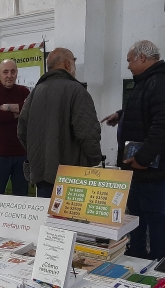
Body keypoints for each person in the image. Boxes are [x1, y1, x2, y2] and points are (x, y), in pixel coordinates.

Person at [102, 40, 165, 261]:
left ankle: (158, 258)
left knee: (155, 213)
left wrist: (143, 158)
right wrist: (122, 114)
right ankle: (137, 252)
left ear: (142, 58)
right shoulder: (149, 80)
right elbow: (146, 109)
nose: (128, 66)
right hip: (139, 164)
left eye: (130, 61)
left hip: (151, 164)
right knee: (137, 212)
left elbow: (163, 125)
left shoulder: (163, 82)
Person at [17, 47, 102, 197]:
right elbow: (88, 134)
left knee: (46, 211)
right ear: (68, 64)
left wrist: (37, 154)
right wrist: (95, 159)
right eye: (74, 61)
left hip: (41, 173)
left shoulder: (36, 92)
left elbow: (21, 131)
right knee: (68, 212)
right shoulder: (77, 91)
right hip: (71, 174)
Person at [0, 59, 30, 215]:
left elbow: (30, 112)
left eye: (13, 71)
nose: (9, 75)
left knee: (22, 199)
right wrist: (18, 112)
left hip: (21, 153)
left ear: (17, 73)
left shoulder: (24, 92)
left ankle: (20, 228)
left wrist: (7, 107)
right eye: (5, 72)